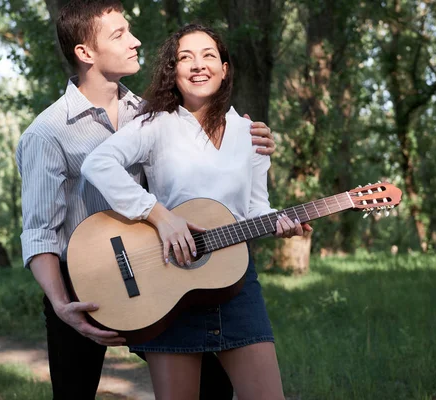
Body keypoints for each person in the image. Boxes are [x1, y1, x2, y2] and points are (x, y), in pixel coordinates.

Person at [15, 1, 277, 399]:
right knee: (75, 393)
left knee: (212, 388)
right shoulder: (47, 133)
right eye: (119, 34)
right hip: (80, 284)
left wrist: (249, 142)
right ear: (85, 53)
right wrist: (61, 303)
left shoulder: (151, 113)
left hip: (159, 273)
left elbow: (196, 181)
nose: (136, 41)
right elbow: (39, 232)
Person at [81, 24, 312, 399]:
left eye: (208, 56)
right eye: (185, 57)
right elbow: (98, 164)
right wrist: (161, 216)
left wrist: (278, 224)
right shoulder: (154, 124)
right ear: (173, 71)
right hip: (168, 280)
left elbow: (255, 210)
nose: (197, 65)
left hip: (236, 285)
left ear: (224, 68)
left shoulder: (249, 132)